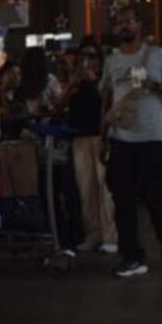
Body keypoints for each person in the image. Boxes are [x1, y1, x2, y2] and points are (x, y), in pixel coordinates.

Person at [101, 6, 162, 279]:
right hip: (121, 139)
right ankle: (132, 257)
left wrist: (154, 87)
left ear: (139, 25)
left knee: (154, 196)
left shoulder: (157, 55)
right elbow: (107, 95)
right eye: (119, 23)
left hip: (151, 139)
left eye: (129, 22)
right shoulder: (111, 61)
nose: (124, 26)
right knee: (122, 200)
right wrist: (105, 135)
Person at [59, 39, 116, 252]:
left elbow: (108, 103)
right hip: (79, 137)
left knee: (105, 189)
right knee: (86, 189)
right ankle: (93, 233)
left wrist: (93, 82)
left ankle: (110, 236)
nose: (86, 61)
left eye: (91, 56)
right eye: (82, 57)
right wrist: (71, 86)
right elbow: (60, 106)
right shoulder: (75, 80)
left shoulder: (104, 79)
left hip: (100, 136)